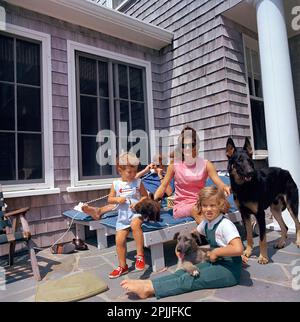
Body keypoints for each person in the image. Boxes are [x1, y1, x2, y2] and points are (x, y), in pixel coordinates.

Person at [120, 186, 243, 299]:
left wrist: (216, 252)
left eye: (213, 205)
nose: (208, 209)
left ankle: (149, 289)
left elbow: (238, 249)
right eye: (205, 206)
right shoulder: (207, 223)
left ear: (221, 205)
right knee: (183, 271)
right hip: (215, 263)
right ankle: (149, 283)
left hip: (229, 271)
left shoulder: (225, 225)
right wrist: (179, 246)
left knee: (191, 279)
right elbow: (192, 233)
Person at [154, 126, 231, 223]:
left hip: (202, 202)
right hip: (182, 205)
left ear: (197, 145)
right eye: (183, 145)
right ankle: (211, 236)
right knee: (197, 209)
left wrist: (226, 188)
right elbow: (163, 186)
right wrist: (153, 201)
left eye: (191, 145)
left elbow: (220, 184)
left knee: (224, 205)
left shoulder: (206, 164)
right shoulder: (174, 165)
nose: (187, 149)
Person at [106, 152, 148, 279]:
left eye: (135, 171)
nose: (133, 174)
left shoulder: (138, 182)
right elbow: (110, 199)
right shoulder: (116, 184)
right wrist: (117, 200)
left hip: (136, 213)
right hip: (123, 216)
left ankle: (140, 256)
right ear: (120, 170)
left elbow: (145, 196)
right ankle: (122, 266)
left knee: (135, 225)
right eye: (130, 172)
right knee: (119, 240)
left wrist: (139, 203)